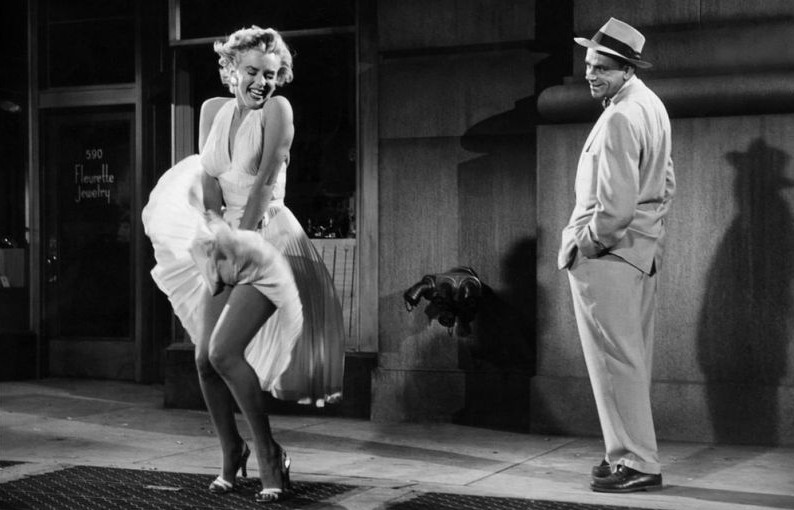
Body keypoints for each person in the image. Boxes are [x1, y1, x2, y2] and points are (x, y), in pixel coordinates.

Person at [142, 26, 346, 503]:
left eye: (271, 74)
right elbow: (210, 178)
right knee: (204, 358)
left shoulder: (278, 110)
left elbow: (265, 181)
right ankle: (232, 450)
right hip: (227, 236)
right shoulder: (212, 110)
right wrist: (216, 232)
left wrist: (240, 241)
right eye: (252, 71)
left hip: (267, 241)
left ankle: (269, 453)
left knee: (224, 352)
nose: (262, 82)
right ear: (231, 69)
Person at [557, 18, 676, 493]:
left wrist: (585, 244)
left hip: (610, 256)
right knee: (628, 361)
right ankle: (623, 453)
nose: (591, 73)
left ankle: (637, 461)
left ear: (627, 69)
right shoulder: (652, 105)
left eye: (602, 68)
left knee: (615, 363)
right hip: (638, 253)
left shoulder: (622, 116)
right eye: (589, 64)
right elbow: (666, 183)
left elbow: (615, 208)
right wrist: (649, 236)